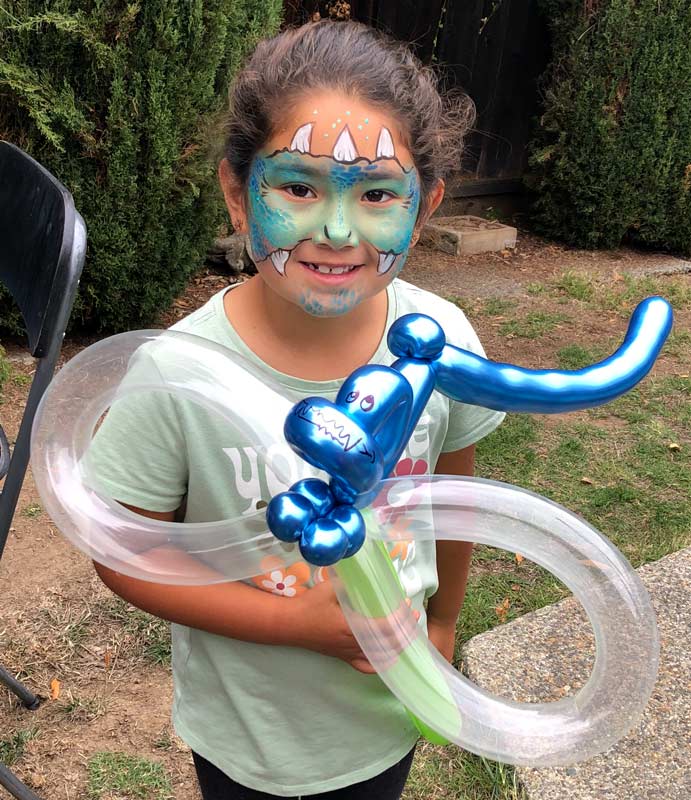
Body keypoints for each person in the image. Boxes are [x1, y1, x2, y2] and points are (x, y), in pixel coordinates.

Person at [89, 20, 505, 800]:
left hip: (387, 710)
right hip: (252, 740)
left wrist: (443, 624)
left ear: (426, 205)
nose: (338, 230)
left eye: (378, 194)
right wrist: (299, 626)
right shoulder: (177, 374)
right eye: (299, 187)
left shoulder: (440, 341)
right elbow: (120, 551)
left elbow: (455, 495)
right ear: (236, 194)